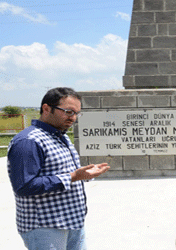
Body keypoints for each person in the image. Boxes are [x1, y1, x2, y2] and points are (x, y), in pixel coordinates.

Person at [7, 87, 110, 250]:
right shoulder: (28, 141)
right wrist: (72, 177)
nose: (73, 118)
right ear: (46, 109)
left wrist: (83, 174)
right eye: (68, 112)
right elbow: (24, 186)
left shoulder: (60, 136)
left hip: (72, 221)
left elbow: (62, 172)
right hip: (45, 228)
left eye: (77, 113)